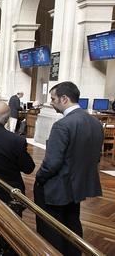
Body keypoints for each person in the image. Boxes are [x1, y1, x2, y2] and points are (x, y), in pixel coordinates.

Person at [34, 81, 103, 256]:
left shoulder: (63, 125)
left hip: (56, 188)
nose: (51, 102)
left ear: (64, 99)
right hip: (78, 186)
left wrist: (40, 178)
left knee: (51, 230)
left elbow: (52, 163)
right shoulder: (95, 123)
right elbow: (96, 157)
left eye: (53, 98)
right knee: (72, 225)